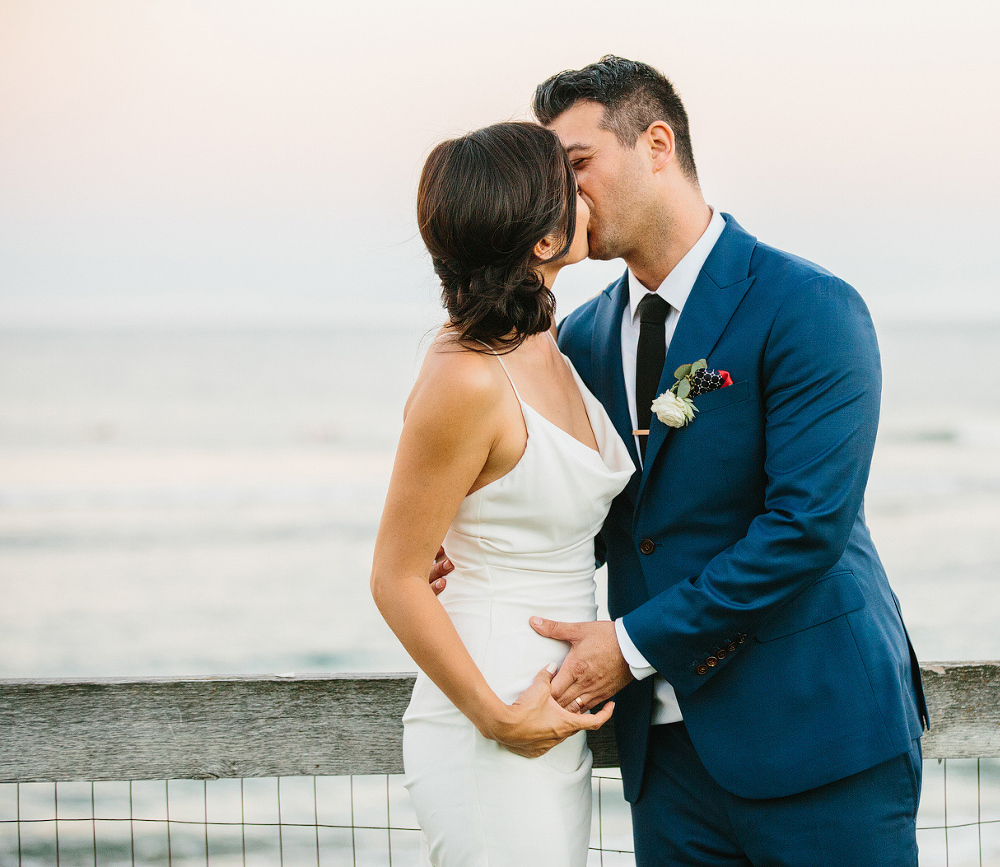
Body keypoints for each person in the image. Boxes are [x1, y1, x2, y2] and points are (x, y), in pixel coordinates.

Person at [526, 56, 931, 865]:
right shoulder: (579, 340)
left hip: (820, 737)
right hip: (664, 761)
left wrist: (630, 644)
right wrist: (469, 550)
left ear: (656, 143)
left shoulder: (807, 306)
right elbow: (596, 517)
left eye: (576, 167)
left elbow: (804, 528)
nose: (563, 200)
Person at [370, 121, 630, 867]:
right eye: (567, 184)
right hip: (494, 716)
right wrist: (495, 718)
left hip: (549, 706)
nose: (584, 194)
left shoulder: (544, 343)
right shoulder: (467, 374)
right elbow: (394, 576)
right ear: (542, 242)